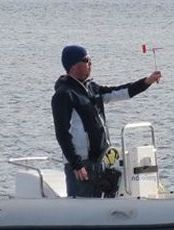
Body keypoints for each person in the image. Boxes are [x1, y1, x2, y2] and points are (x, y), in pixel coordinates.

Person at [51, 45, 162, 198]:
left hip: (102, 159)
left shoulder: (92, 88)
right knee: (84, 203)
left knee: (104, 199)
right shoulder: (64, 94)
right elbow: (61, 133)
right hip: (81, 163)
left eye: (90, 60)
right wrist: (76, 165)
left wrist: (147, 82)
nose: (91, 63)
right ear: (73, 65)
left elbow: (120, 92)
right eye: (86, 60)